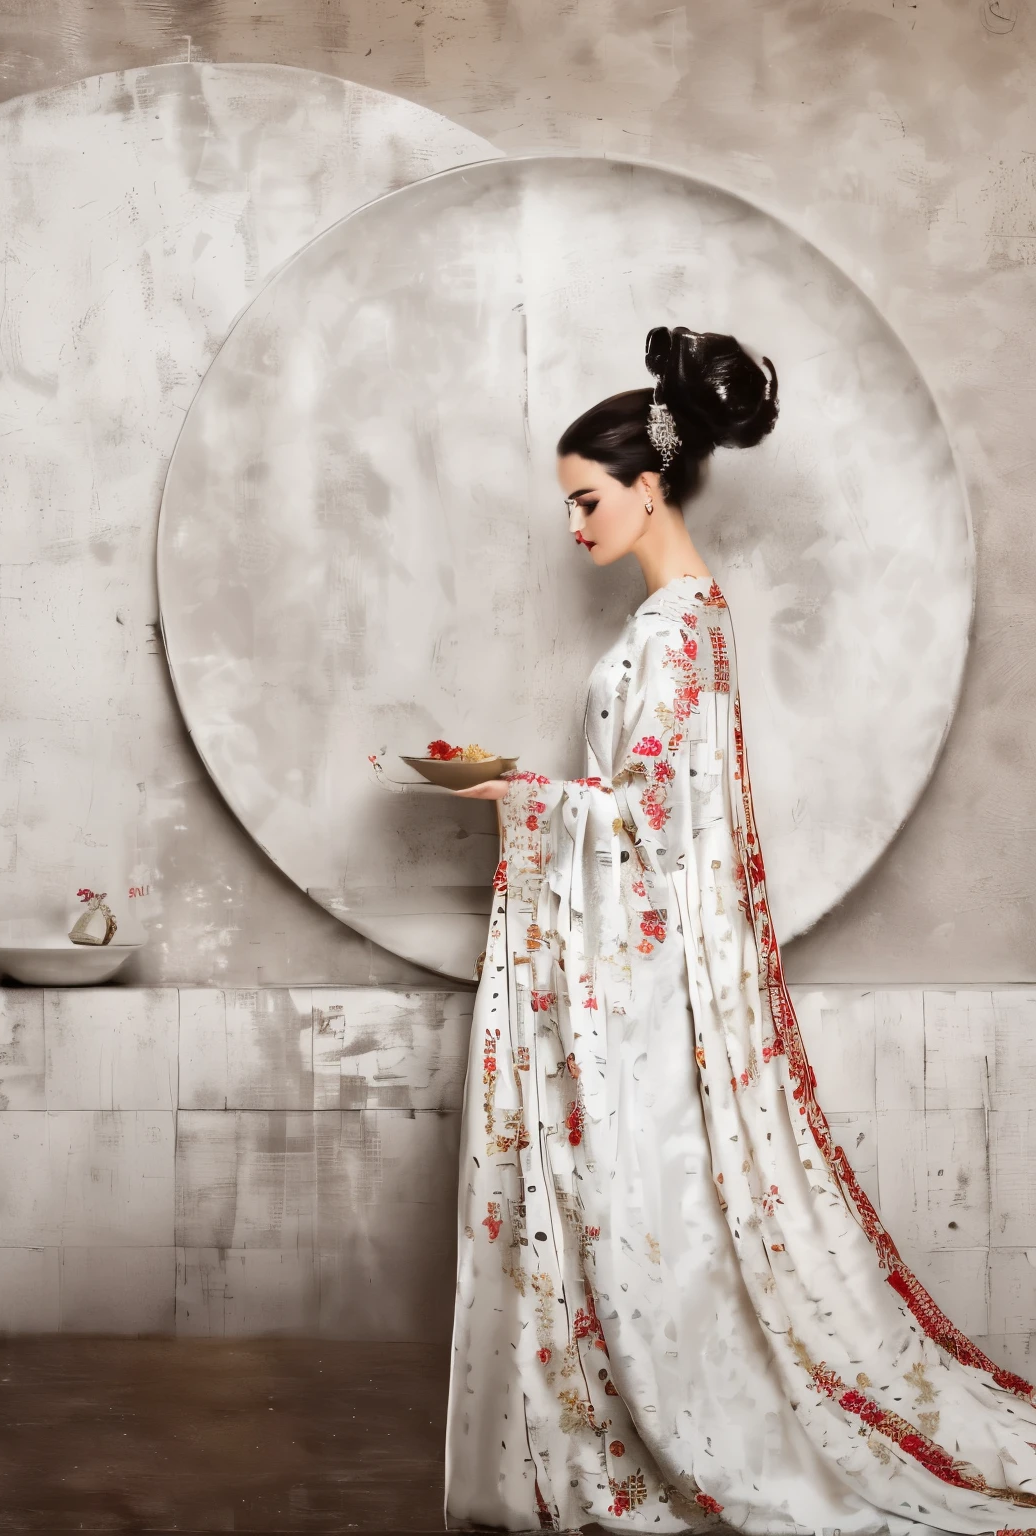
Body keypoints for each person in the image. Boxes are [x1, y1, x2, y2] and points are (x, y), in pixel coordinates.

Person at [440, 325, 1036, 1535]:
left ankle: (701, 1426)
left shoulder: (676, 630)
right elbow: (656, 807)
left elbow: (652, 815)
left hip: (654, 982)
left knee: (661, 1210)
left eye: (586, 500)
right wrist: (537, 794)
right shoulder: (685, 621)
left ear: (648, 487)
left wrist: (521, 796)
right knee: (658, 1212)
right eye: (568, 506)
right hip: (647, 965)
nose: (575, 527)